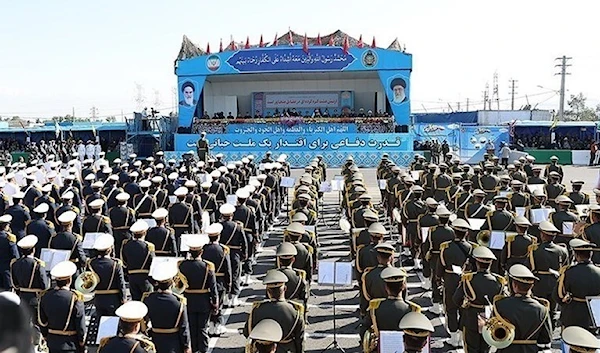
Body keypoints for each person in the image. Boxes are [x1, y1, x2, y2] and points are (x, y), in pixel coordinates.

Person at [453, 246, 506, 353]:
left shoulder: (468, 279)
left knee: (471, 348)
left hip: (471, 317)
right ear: (490, 264)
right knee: (486, 347)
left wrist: (464, 305)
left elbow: (456, 299)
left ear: (477, 263)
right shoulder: (499, 281)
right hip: (489, 317)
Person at [491, 264, 552, 353]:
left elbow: (493, 333)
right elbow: (546, 338)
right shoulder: (542, 309)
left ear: (514, 285)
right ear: (531, 287)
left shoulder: (500, 304)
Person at [243, 271, 305, 353]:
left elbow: (247, 333)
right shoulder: (295, 311)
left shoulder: (257, 309)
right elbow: (299, 340)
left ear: (268, 291)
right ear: (285, 289)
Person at [362, 267, 419, 352]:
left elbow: (363, 329)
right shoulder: (413, 309)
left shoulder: (375, 307)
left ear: (386, 288)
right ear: (403, 286)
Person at [179, 236, 218, 353]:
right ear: (201, 252)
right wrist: (215, 302)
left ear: (190, 252)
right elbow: (213, 287)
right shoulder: (207, 266)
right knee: (202, 328)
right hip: (203, 300)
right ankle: (204, 350)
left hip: (188, 299)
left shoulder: (182, 265)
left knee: (191, 327)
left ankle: (194, 349)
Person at [37, 261, 87, 353]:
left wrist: (45, 336)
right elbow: (80, 323)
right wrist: (82, 341)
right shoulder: (74, 297)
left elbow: (42, 321)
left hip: (52, 342)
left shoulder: (45, 296)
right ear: (70, 280)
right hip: (70, 344)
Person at [142, 265, 192, 353]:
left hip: (155, 341)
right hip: (173, 343)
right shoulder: (179, 302)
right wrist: (186, 345)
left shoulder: (148, 299)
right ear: (172, 282)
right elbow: (184, 327)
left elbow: (144, 322)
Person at [554, 238, 600, 330]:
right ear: (591, 255)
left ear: (576, 255)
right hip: (594, 315)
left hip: (572, 314)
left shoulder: (568, 272)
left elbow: (558, 296)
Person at [87, 234, 127, 317]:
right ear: (110, 249)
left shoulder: (91, 263)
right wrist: (124, 299)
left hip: (98, 299)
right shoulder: (116, 264)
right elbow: (121, 283)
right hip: (113, 299)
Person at [10, 234, 50, 315]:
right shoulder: (37, 264)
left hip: (22, 297)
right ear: (33, 250)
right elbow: (45, 286)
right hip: (35, 298)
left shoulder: (15, 263)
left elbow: (15, 284)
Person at [121, 220, 155, 301]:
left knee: (136, 300)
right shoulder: (149, 246)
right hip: (145, 278)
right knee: (148, 301)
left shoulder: (126, 244)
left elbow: (124, 261)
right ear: (145, 233)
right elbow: (152, 263)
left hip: (132, 277)